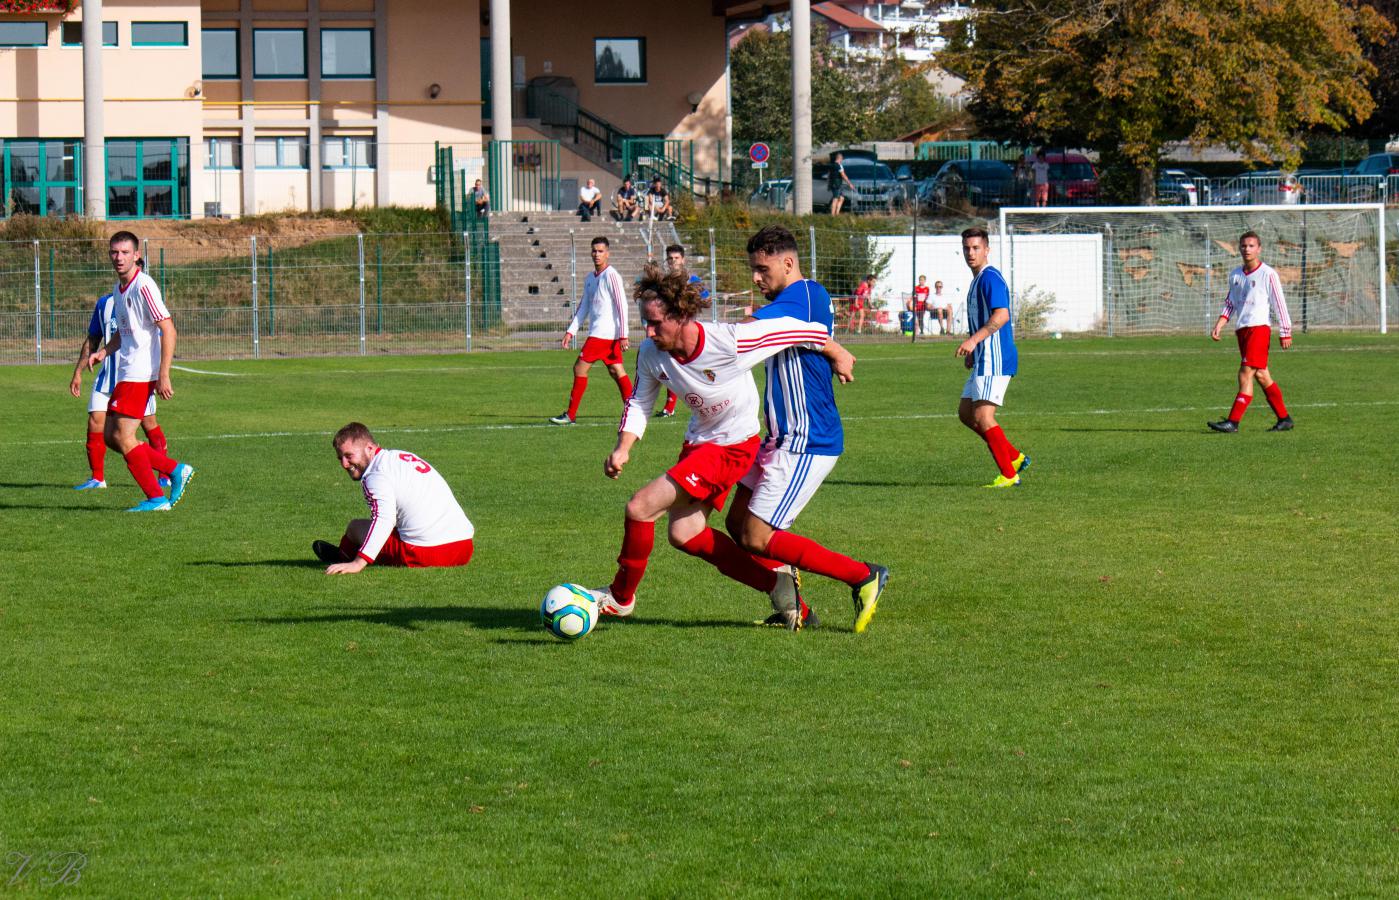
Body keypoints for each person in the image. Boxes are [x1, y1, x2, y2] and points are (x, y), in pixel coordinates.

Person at [589, 263, 836, 621]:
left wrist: (834, 350)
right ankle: (776, 586)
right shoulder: (650, 353)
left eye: (656, 322)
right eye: (645, 321)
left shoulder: (728, 340)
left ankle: (620, 596)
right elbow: (640, 402)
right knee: (685, 533)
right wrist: (623, 447)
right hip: (700, 442)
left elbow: (797, 329)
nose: (649, 330)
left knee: (640, 507)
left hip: (734, 446)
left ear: (681, 317)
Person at [726, 225, 887, 632]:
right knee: (738, 524)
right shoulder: (794, 299)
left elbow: (747, 331)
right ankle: (795, 609)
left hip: (807, 439)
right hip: (780, 438)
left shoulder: (806, 295)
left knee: (758, 535)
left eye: (762, 269)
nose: (756, 278)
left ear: (788, 263)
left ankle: (863, 576)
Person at [83, 231, 195, 512]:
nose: (118, 258)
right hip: (126, 371)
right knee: (111, 436)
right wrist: (102, 352)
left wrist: (164, 374)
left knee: (123, 437)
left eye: (124, 253)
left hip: (142, 372)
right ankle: (174, 470)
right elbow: (123, 333)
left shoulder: (143, 285)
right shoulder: (119, 290)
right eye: (114, 252)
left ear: (136, 256)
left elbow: (168, 328)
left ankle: (157, 496)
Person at [313, 422, 475, 574]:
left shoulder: (375, 475)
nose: (344, 464)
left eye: (349, 456)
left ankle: (344, 558)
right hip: (464, 547)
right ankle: (348, 555)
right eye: (340, 458)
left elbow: (384, 520)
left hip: (430, 552)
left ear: (369, 448)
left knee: (355, 528)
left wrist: (359, 563)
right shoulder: (401, 456)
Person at [69, 291, 170, 491]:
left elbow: (161, 338)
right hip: (107, 377)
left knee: (148, 424)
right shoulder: (104, 303)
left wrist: (161, 375)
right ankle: (97, 478)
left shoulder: (145, 298)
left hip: (136, 377)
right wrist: (78, 372)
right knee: (95, 422)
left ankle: (166, 474)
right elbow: (93, 339)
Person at [955, 226, 1029, 488]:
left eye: (976, 248)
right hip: (983, 357)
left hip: (995, 358)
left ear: (987, 249)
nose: (970, 253)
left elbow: (1002, 315)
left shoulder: (990, 278)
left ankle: (1009, 475)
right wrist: (973, 350)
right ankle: (1014, 457)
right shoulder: (977, 280)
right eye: (966, 248)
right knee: (966, 413)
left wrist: (974, 340)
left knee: (984, 417)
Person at [1207, 231, 1294, 433]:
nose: (1247, 249)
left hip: (1259, 329)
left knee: (1245, 374)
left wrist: (1285, 331)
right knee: (1262, 376)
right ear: (1239, 248)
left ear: (1259, 248)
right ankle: (1284, 419)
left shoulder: (1268, 274)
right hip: (1242, 330)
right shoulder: (1235, 275)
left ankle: (1233, 422)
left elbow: (1279, 303)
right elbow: (1231, 302)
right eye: (1244, 246)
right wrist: (1221, 322)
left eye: (1251, 246)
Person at [549, 237, 631, 425]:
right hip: (600, 333)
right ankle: (633, 409)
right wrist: (571, 331)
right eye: (594, 250)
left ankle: (570, 414)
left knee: (579, 368)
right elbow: (584, 306)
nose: (597, 254)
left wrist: (624, 335)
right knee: (616, 370)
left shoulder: (611, 275)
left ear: (607, 253)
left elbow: (622, 305)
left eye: (601, 251)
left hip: (604, 334)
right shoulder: (590, 278)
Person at [656, 243, 710, 418]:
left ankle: (708, 401)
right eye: (670, 259)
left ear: (683, 260)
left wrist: (690, 301)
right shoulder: (664, 282)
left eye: (676, 258)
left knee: (698, 369)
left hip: (690, 331)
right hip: (671, 331)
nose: (673, 262)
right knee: (672, 366)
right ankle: (669, 407)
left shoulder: (692, 280)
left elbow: (706, 299)